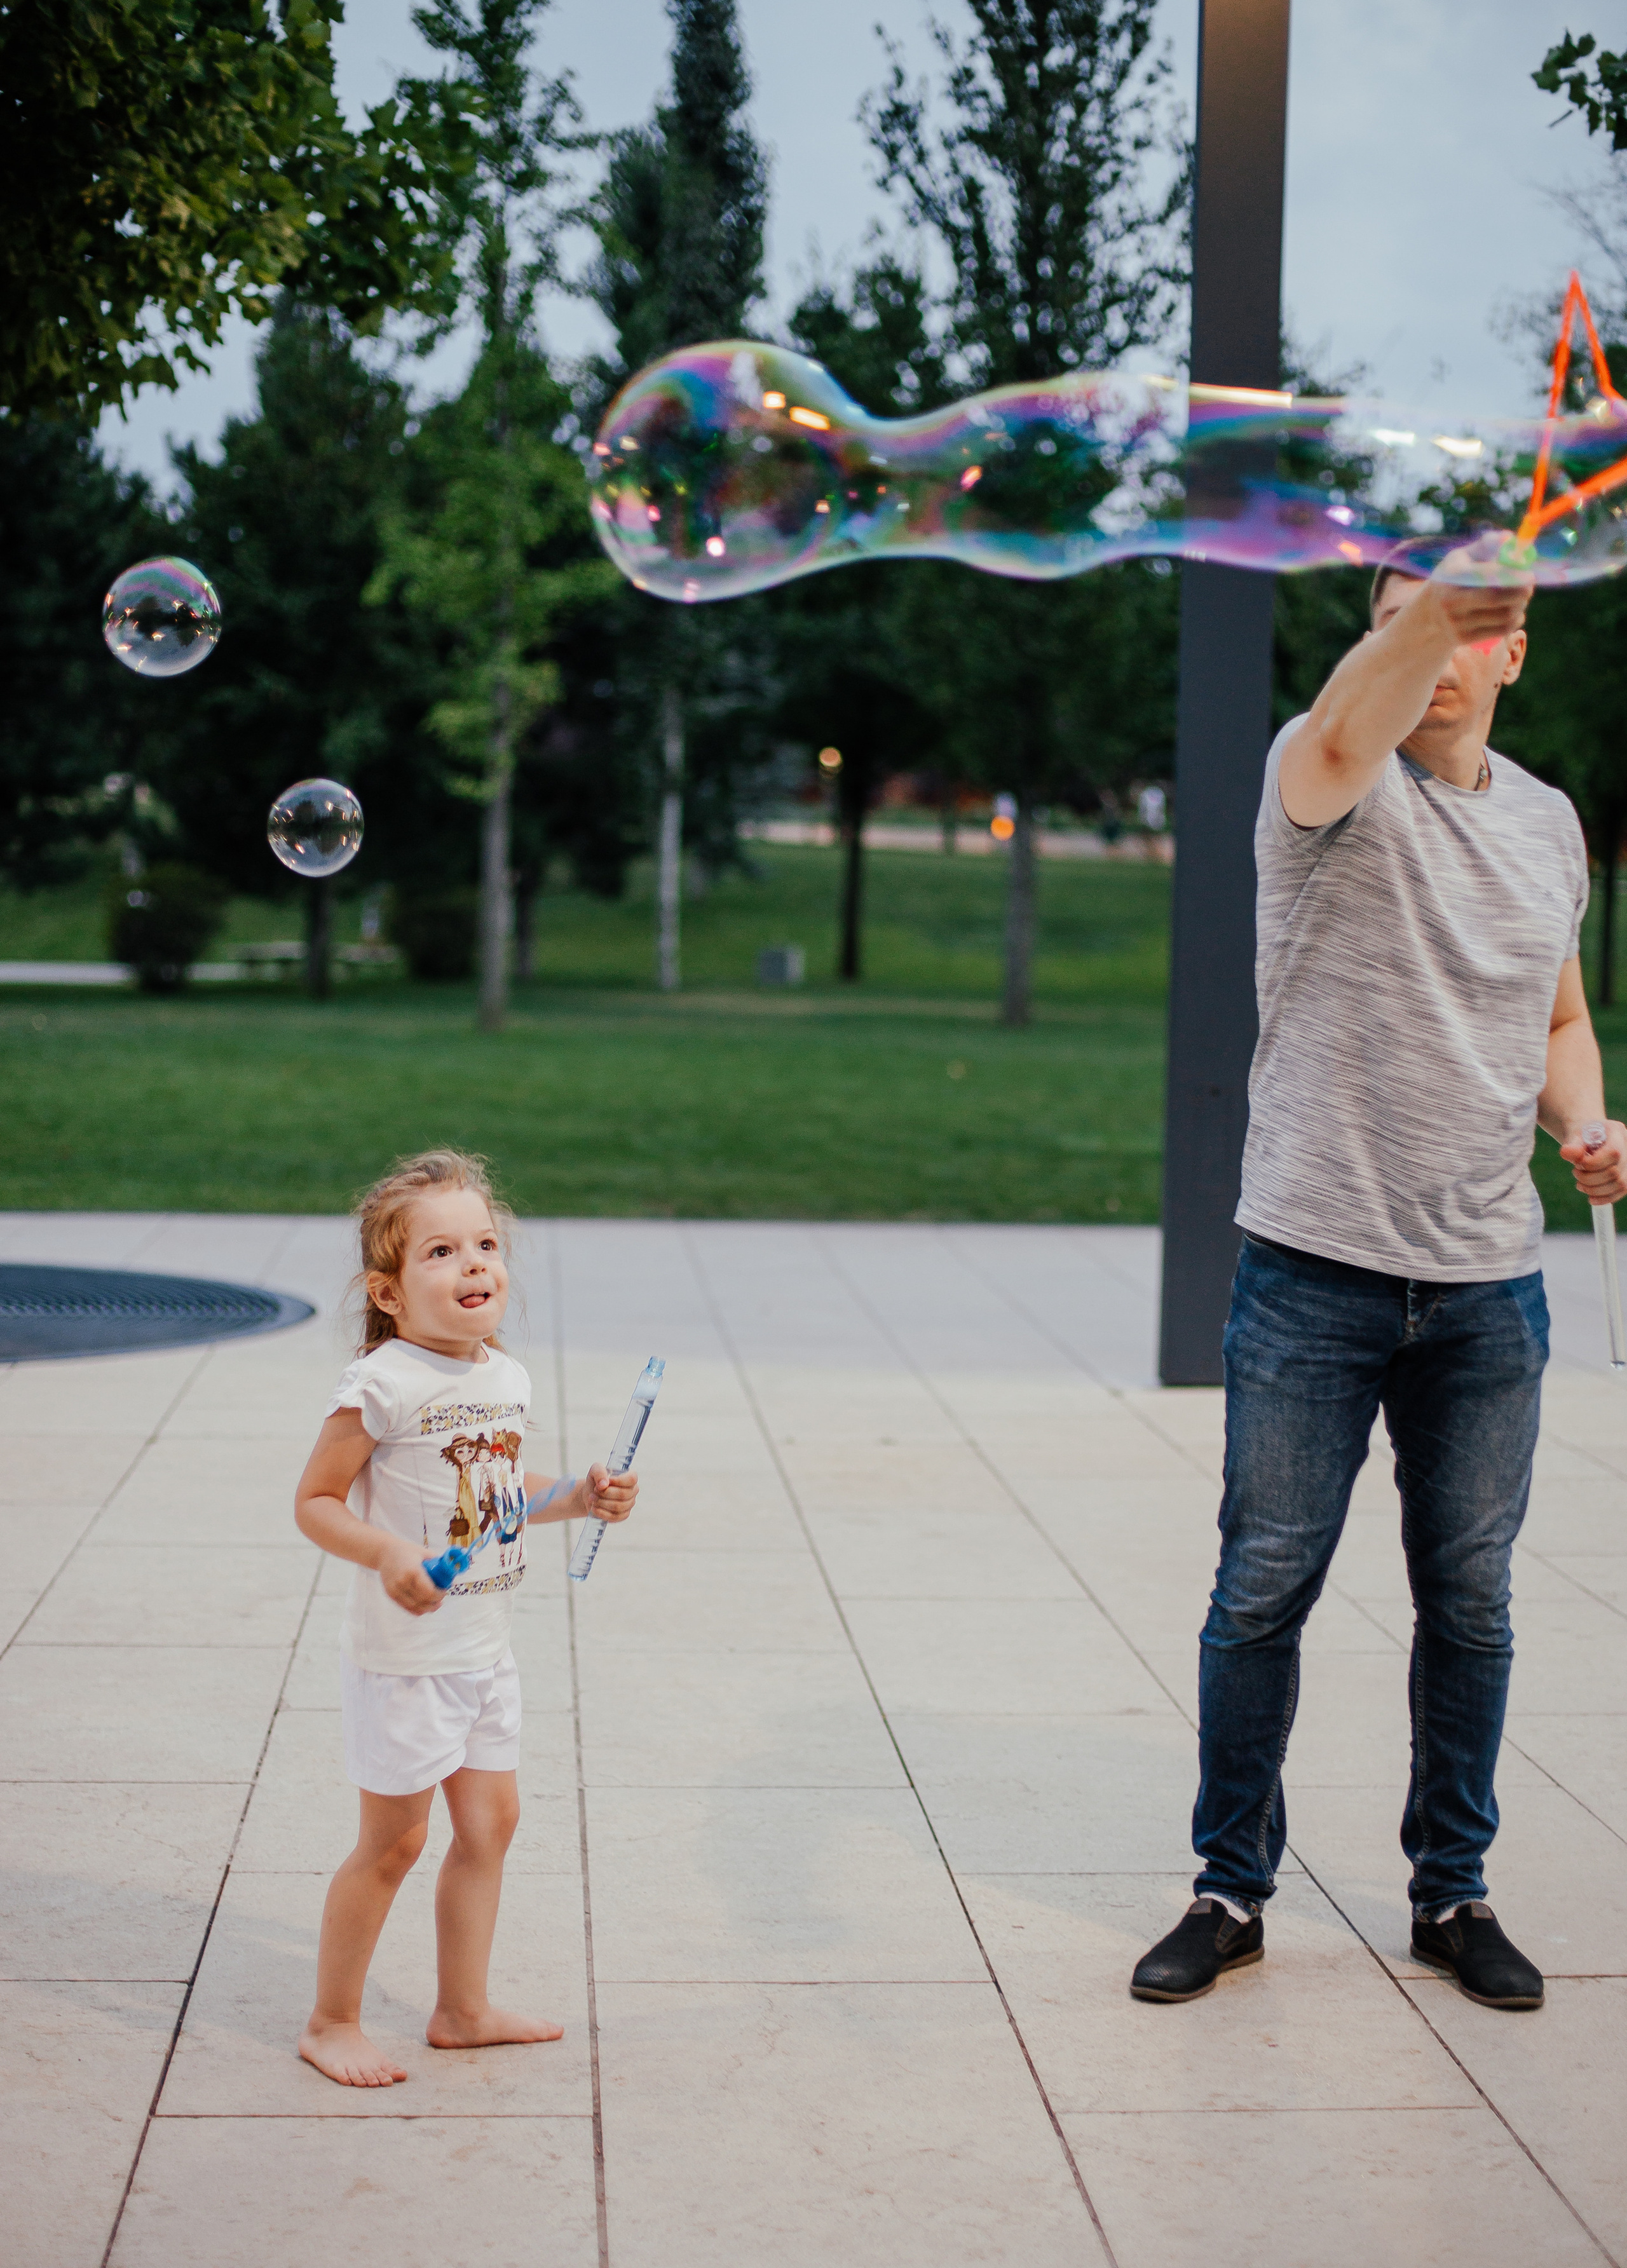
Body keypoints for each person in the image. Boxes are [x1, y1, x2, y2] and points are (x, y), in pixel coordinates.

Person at [1131, 552, 1627, 2011]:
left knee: (1467, 1603)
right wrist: (1430, 612)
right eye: (1405, 624)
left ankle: (1450, 1891)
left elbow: (1557, 1016)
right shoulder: (1325, 777)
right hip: (1310, 1273)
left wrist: (1585, 1124)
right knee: (1261, 1590)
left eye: (1476, 631)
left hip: (1484, 1292)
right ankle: (1228, 1889)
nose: (1436, 651)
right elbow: (1356, 716)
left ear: (1512, 660)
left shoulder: (1546, 825)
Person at [293, 1148, 639, 2087]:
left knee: (490, 1824)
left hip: (484, 1647)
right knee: (395, 1842)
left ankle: (462, 2007)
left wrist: (578, 1493)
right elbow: (317, 1500)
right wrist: (388, 1552)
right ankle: (332, 2020)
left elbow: (492, 1491)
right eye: (441, 1251)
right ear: (391, 1291)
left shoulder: (504, 1378)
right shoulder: (383, 1383)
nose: (476, 1263)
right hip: (404, 1656)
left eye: (485, 1243)